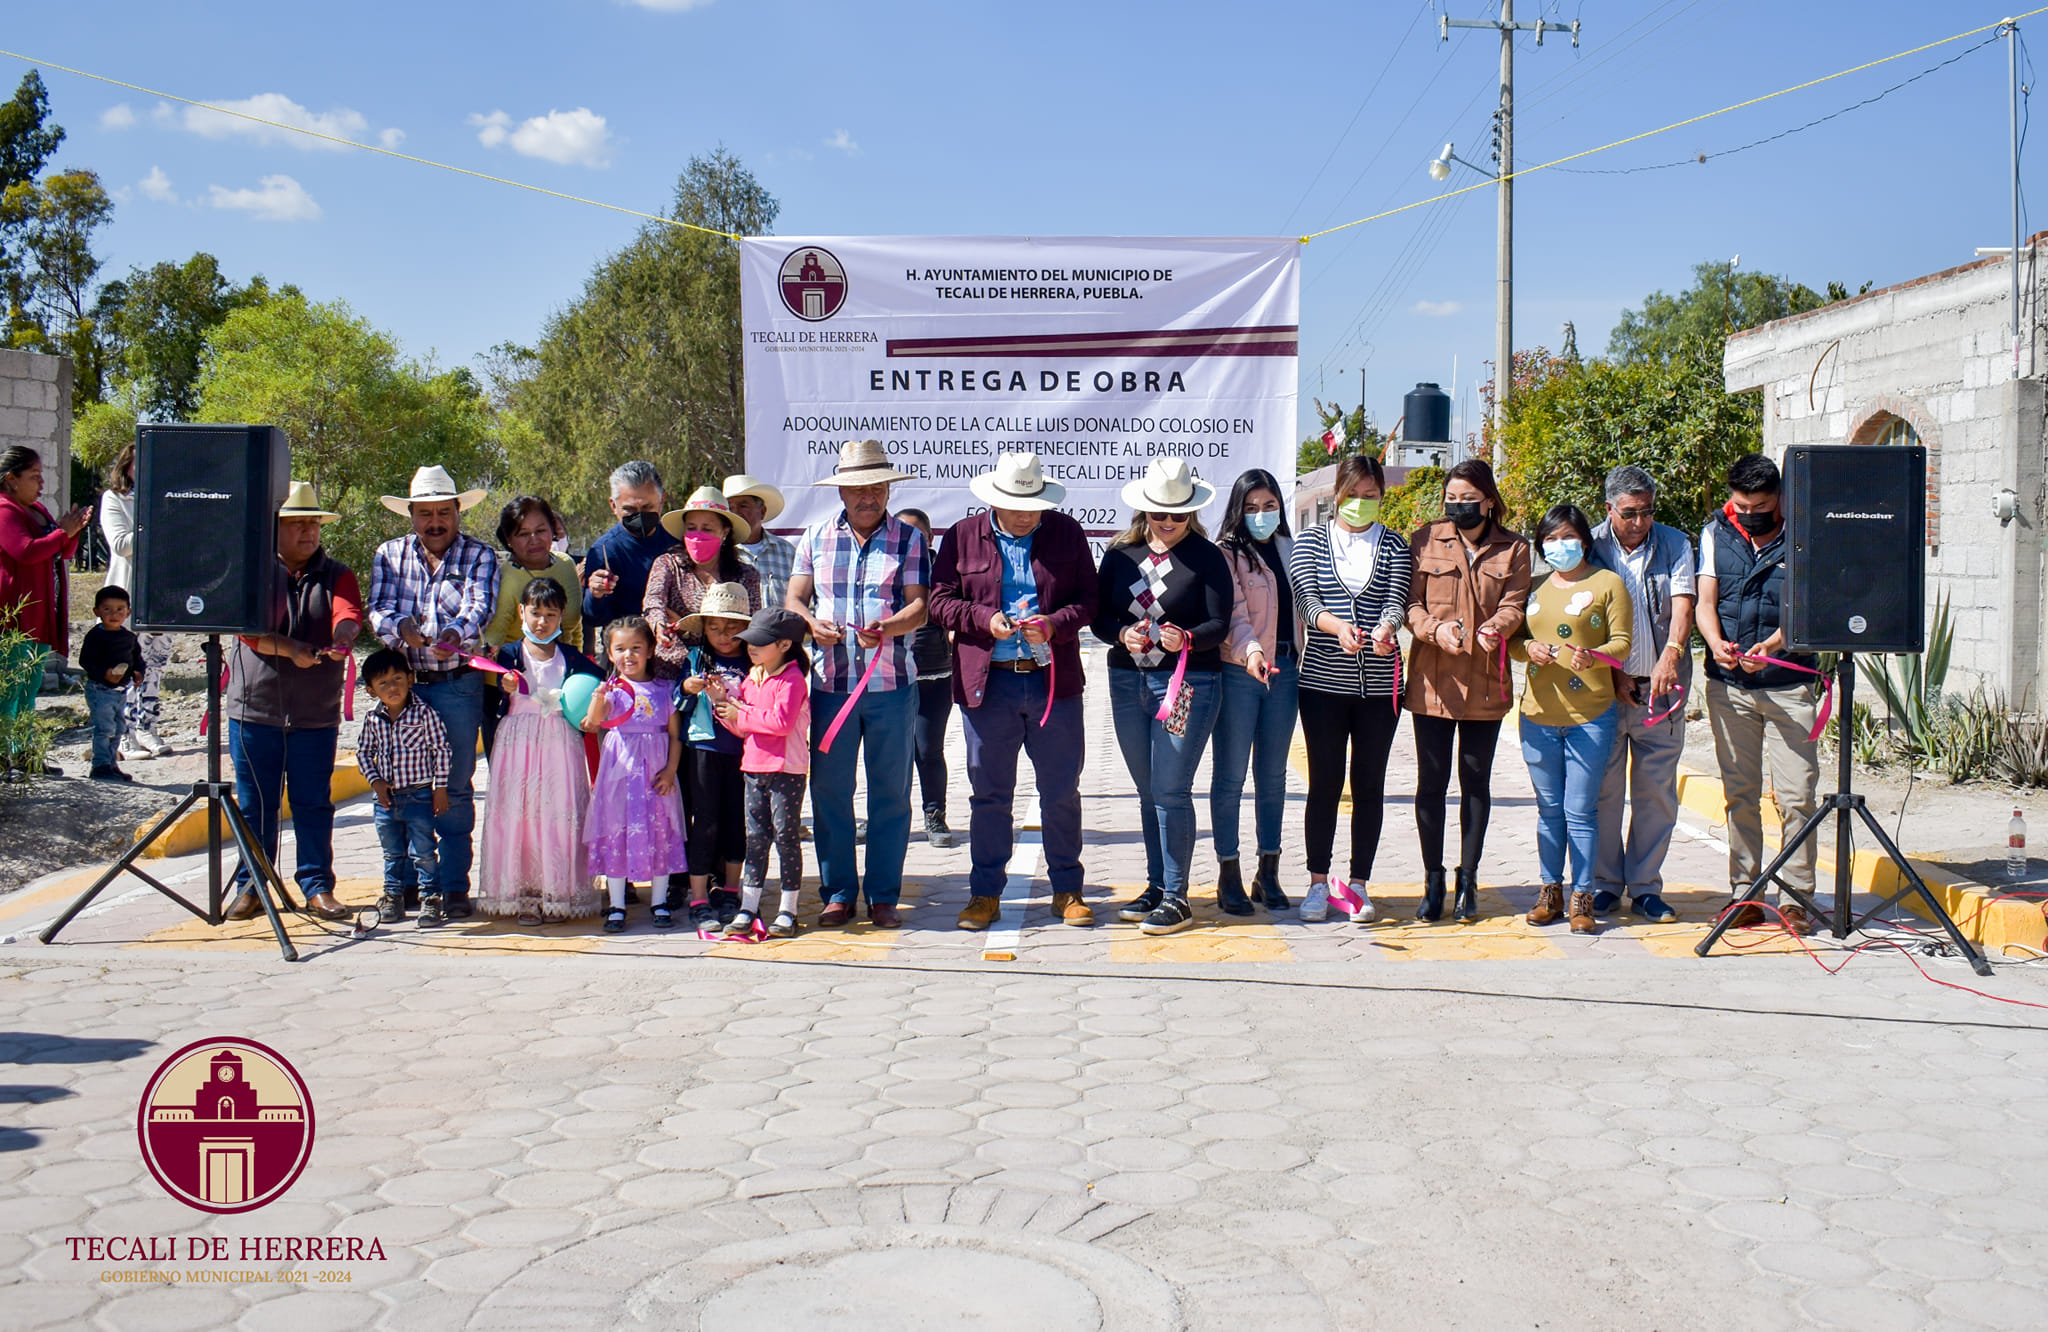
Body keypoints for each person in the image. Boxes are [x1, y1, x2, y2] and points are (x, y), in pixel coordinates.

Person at [929, 454, 1098, 931]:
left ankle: (1068, 889)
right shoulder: (961, 537)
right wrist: (984, 620)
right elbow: (939, 602)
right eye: (1015, 505)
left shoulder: (1067, 532)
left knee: (1061, 791)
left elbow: (1089, 600)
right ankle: (984, 894)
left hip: (1053, 685)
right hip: (989, 685)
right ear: (993, 500)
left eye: (1034, 505)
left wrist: (1055, 623)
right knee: (989, 794)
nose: (1027, 514)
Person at [786, 439, 931, 930]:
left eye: (876, 487)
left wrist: (888, 629)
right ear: (841, 490)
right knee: (829, 790)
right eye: (857, 488)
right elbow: (794, 599)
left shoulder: (910, 540)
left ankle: (885, 894)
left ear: (889, 488)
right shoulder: (814, 537)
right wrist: (808, 623)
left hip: (892, 687)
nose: (867, 496)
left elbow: (920, 607)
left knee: (890, 792)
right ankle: (839, 891)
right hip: (831, 686)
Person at [1094, 457, 1232, 937]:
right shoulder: (1119, 555)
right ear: (1144, 511)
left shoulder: (1207, 557)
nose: (1168, 522)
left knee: (1172, 789)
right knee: (1149, 790)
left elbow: (1219, 623)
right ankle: (1157, 886)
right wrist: (1121, 634)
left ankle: (1177, 895)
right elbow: (1099, 619)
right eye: (1159, 513)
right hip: (1127, 681)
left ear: (1191, 512)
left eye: (1177, 514)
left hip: (1187, 684)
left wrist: (1186, 639)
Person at [366, 465, 500, 918]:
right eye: (426, 514)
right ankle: (404, 885)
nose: (435, 522)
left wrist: (452, 636)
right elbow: (378, 610)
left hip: (456, 686)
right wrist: (400, 629)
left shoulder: (480, 556)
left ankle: (452, 886)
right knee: (401, 789)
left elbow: (479, 607)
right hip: (400, 690)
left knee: (455, 789)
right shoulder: (388, 555)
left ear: (458, 511)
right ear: (412, 515)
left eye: (444, 511)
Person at [224, 482, 361, 923]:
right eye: (298, 524)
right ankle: (252, 885)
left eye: (314, 524)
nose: (309, 532)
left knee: (313, 801)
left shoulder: (337, 573)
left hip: (315, 712)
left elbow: (348, 611)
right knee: (255, 803)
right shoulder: (252, 570)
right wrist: (290, 649)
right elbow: (247, 628)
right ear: (276, 528)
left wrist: (343, 635)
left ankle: (317, 886)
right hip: (255, 707)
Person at [1697, 453, 1821, 934]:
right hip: (1730, 687)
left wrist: (1771, 647)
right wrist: (1715, 645)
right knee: (1739, 794)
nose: (1750, 513)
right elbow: (1706, 602)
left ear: (1781, 499)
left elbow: (1811, 607)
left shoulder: (1804, 535)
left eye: (1762, 505)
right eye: (1741, 504)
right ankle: (1744, 894)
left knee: (1797, 796)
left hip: (1789, 684)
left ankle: (1796, 898)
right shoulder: (1715, 534)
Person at [1404, 459, 1530, 923]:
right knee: (1430, 785)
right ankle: (1432, 879)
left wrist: (1494, 628)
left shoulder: (1514, 548)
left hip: (1485, 681)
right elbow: (1411, 604)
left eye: (1468, 500)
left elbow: (1515, 604)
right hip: (1432, 681)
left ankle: (1468, 879)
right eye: (1451, 500)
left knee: (1475, 782)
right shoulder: (1426, 539)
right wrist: (1435, 631)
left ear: (1489, 501)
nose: (1458, 508)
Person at [1287, 452, 1410, 924]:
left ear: (1381, 497)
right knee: (1325, 782)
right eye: (1353, 495)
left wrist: (1385, 629)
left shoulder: (1395, 545)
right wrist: (1337, 627)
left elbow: (1398, 597)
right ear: (1337, 493)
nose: (1360, 503)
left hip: (1380, 687)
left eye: (1370, 496)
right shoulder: (1311, 542)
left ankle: (1358, 884)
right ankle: (1318, 883)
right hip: (1321, 684)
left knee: (1369, 783)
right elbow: (1305, 597)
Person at [1510, 504, 1633, 936]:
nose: (1558, 547)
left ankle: (1584, 897)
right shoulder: (1536, 587)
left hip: (1591, 715)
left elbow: (1622, 643)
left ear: (1584, 540)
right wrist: (1529, 651)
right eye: (1550, 540)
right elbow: (1516, 642)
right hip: (1538, 715)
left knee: (1580, 811)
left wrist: (1594, 656)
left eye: (1567, 538)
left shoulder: (1608, 584)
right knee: (1549, 811)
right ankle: (1550, 893)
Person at [1590, 464, 1696, 925]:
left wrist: (1670, 656)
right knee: (1605, 793)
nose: (1639, 523)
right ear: (1608, 508)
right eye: (1629, 513)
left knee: (1656, 793)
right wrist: (1613, 674)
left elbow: (1684, 603)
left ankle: (1647, 886)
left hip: (1660, 690)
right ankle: (1604, 884)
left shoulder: (1674, 543)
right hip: (1605, 690)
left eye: (1647, 512)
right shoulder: (1589, 546)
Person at [476, 577, 603, 926]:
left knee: (558, 814)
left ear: (563, 616)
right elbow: (497, 701)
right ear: (521, 612)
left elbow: (598, 686)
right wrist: (506, 689)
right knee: (520, 816)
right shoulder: (509, 654)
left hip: (560, 746)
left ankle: (558, 891)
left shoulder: (574, 657)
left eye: (550, 613)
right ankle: (527, 895)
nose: (542, 621)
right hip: (518, 745)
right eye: (535, 612)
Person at [1211, 467, 1300, 915]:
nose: (1261, 515)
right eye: (1251, 508)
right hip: (1240, 672)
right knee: (1229, 776)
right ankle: (1228, 872)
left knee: (1273, 776)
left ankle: (1269, 871)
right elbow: (1234, 614)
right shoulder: (1225, 554)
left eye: (1269, 507)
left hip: (1287, 670)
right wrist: (1250, 653)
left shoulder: (1292, 548)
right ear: (1237, 510)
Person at [581, 616, 689, 933]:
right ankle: (616, 905)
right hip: (619, 779)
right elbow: (593, 722)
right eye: (621, 649)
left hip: (656, 777)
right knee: (617, 832)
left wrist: (670, 770)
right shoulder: (613, 690)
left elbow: (674, 734)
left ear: (651, 650)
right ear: (610, 653)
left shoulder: (664, 690)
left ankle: (659, 901)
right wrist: (599, 697)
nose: (629, 655)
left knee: (660, 833)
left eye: (636, 648)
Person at [713, 607, 813, 940]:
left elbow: (780, 724)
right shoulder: (753, 677)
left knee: (785, 838)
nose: (751, 648)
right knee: (755, 839)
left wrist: (741, 712)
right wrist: (724, 706)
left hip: (786, 769)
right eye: (750, 641)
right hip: (753, 768)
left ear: (785, 645)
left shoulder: (793, 679)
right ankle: (749, 906)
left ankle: (788, 909)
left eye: (760, 642)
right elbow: (745, 728)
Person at [675, 582, 755, 930]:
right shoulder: (695, 660)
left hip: (745, 752)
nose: (723, 635)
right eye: (714, 627)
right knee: (704, 822)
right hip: (704, 749)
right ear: (703, 628)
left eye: (733, 627)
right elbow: (677, 706)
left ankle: (731, 891)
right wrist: (688, 689)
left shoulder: (755, 659)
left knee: (737, 821)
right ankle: (698, 897)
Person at [358, 648, 454, 930]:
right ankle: (393, 896)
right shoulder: (372, 719)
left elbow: (441, 750)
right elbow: (364, 753)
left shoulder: (425, 714)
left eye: (398, 679)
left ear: (410, 679)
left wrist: (441, 788)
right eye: (383, 683)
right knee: (392, 852)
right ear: (371, 690)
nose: (392, 687)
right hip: (386, 800)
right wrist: (375, 781)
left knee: (423, 850)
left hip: (419, 795)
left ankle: (430, 899)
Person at [481, 495, 582, 758]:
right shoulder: (505, 574)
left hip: (561, 684)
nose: (534, 539)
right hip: (511, 687)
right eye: (523, 534)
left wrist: (579, 670)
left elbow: (574, 626)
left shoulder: (566, 565)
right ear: (508, 539)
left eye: (540, 530)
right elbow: (496, 631)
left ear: (554, 530)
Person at [98, 442, 172, 759]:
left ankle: (147, 728)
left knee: (155, 666)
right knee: (126, 666)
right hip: (127, 598)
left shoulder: (169, 500)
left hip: (163, 596)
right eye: (139, 464)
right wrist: (154, 517)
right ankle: (123, 735)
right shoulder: (115, 500)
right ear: (127, 466)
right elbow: (121, 544)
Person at [645, 486, 761, 673]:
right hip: (671, 669)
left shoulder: (746, 575)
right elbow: (653, 600)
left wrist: (686, 627)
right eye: (692, 528)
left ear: (725, 532)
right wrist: (660, 624)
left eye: (707, 529)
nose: (698, 535)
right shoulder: (668, 565)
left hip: (729, 672)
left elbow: (753, 624)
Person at [0, 445, 89, 684]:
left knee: (30, 685)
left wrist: (73, 531)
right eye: (34, 476)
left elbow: (61, 551)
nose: (41, 483)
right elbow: (26, 551)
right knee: (12, 687)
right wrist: (62, 533)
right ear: (11, 479)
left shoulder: (37, 509)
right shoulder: (4, 510)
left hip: (41, 611)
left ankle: (24, 723)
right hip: (16, 618)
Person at [896, 508, 957, 850]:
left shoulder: (943, 572)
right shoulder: (886, 567)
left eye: (918, 533)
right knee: (890, 752)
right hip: (891, 674)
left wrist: (954, 633)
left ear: (931, 538)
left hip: (934, 673)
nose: (910, 540)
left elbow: (954, 609)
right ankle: (887, 818)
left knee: (927, 748)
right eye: (903, 532)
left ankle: (935, 815)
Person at [583, 460, 679, 655]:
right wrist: (595, 594)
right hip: (629, 656)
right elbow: (594, 618)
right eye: (630, 510)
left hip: (675, 645)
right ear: (613, 505)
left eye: (647, 507)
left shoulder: (677, 540)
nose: (640, 517)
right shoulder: (604, 551)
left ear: (662, 501)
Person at [78, 585, 144, 782]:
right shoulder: (96, 636)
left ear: (128, 612)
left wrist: (138, 672)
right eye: (107, 609)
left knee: (118, 728)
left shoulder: (128, 637)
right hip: (100, 690)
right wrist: (105, 673)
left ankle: (112, 764)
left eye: (120, 609)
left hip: (120, 691)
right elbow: (86, 661)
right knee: (104, 728)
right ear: (97, 611)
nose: (114, 614)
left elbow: (136, 658)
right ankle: (100, 765)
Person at [725, 474, 797, 613]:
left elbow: (803, 600)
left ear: (762, 511)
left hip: (781, 633)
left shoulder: (787, 552)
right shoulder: (721, 553)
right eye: (730, 507)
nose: (736, 512)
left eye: (743, 505)